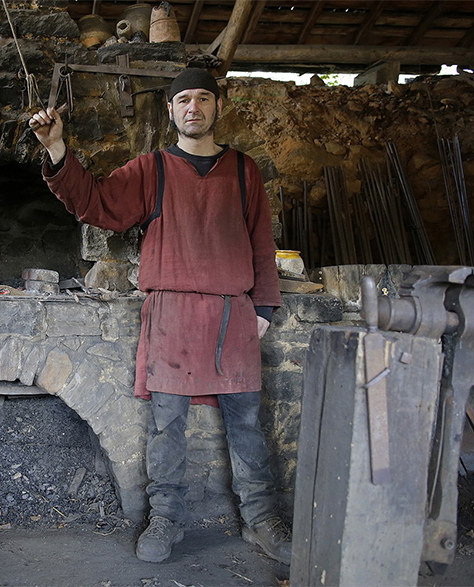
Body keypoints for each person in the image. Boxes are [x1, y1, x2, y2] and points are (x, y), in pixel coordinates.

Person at [29, 68, 291, 565]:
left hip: (233, 314)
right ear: (170, 110)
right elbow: (98, 202)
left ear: (218, 106)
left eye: (204, 98)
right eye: (184, 99)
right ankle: (165, 516)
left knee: (246, 425)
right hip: (172, 312)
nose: (195, 107)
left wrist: (264, 305)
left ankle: (261, 519)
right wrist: (57, 148)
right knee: (167, 426)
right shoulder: (152, 169)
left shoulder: (244, 170)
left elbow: (261, 239)